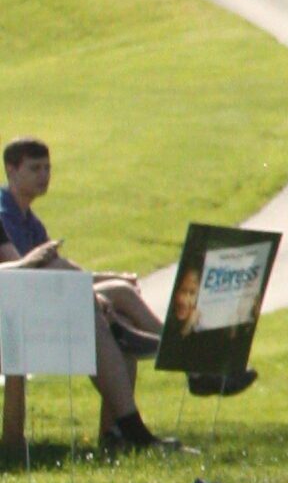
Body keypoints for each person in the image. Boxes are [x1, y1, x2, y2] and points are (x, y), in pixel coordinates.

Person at [0, 136, 165, 452]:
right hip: (14, 316)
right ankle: (180, 359)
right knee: (108, 299)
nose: (44, 175)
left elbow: (29, 269)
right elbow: (26, 272)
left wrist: (95, 282)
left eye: (47, 168)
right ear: (11, 169)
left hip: (25, 304)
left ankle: (119, 433)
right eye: (36, 168)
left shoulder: (27, 220)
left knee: (114, 305)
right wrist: (85, 288)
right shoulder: (5, 210)